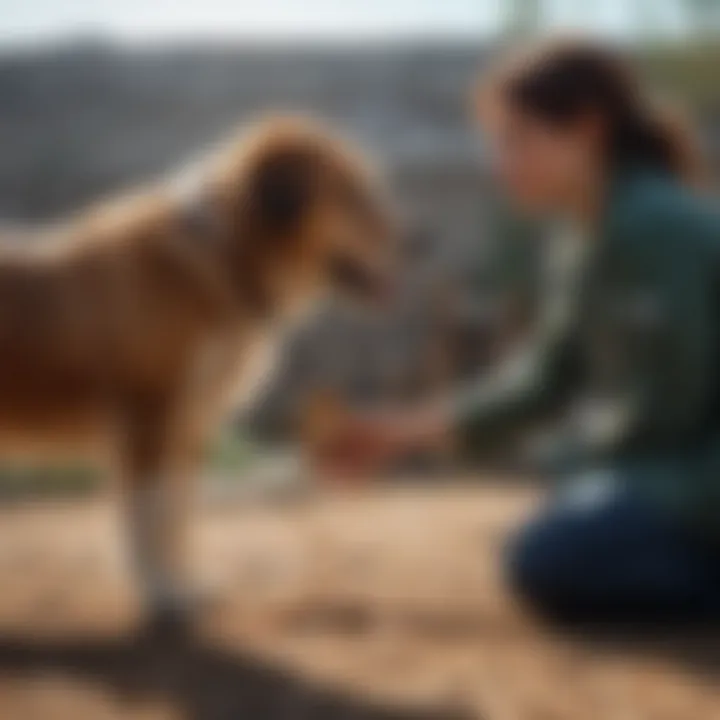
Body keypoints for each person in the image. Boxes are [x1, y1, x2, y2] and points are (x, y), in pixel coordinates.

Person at [321, 38, 720, 623]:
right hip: (681, 473)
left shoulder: (654, 229)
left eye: (516, 138)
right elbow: (547, 378)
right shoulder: (585, 235)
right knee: (566, 527)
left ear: (587, 128)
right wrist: (400, 433)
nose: (499, 162)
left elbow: (665, 414)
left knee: (550, 556)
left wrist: (608, 480)